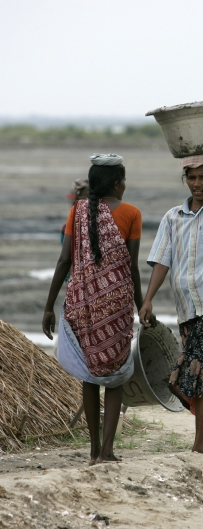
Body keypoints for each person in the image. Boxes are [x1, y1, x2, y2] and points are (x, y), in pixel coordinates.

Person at [139, 93, 203, 454]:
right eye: (191, 178)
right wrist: (148, 299)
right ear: (185, 179)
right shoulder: (173, 218)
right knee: (194, 378)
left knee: (202, 378)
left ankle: (198, 448)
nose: (197, 184)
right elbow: (162, 261)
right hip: (189, 311)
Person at [42, 153, 148, 465]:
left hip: (82, 304)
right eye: (124, 180)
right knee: (115, 376)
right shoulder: (132, 213)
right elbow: (132, 268)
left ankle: (92, 451)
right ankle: (107, 452)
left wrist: (49, 306)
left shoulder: (77, 211)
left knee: (90, 375)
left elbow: (64, 261)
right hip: (115, 308)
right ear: (117, 183)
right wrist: (142, 307)